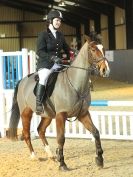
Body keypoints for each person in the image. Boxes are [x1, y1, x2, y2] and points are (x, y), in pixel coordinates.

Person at [36, 10, 70, 115]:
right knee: (44, 77)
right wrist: (52, 58)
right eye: (57, 20)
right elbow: (40, 51)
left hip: (58, 64)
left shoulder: (60, 35)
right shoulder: (43, 35)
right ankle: (39, 103)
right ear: (50, 21)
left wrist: (74, 53)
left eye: (60, 21)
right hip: (45, 64)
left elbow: (66, 48)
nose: (59, 22)